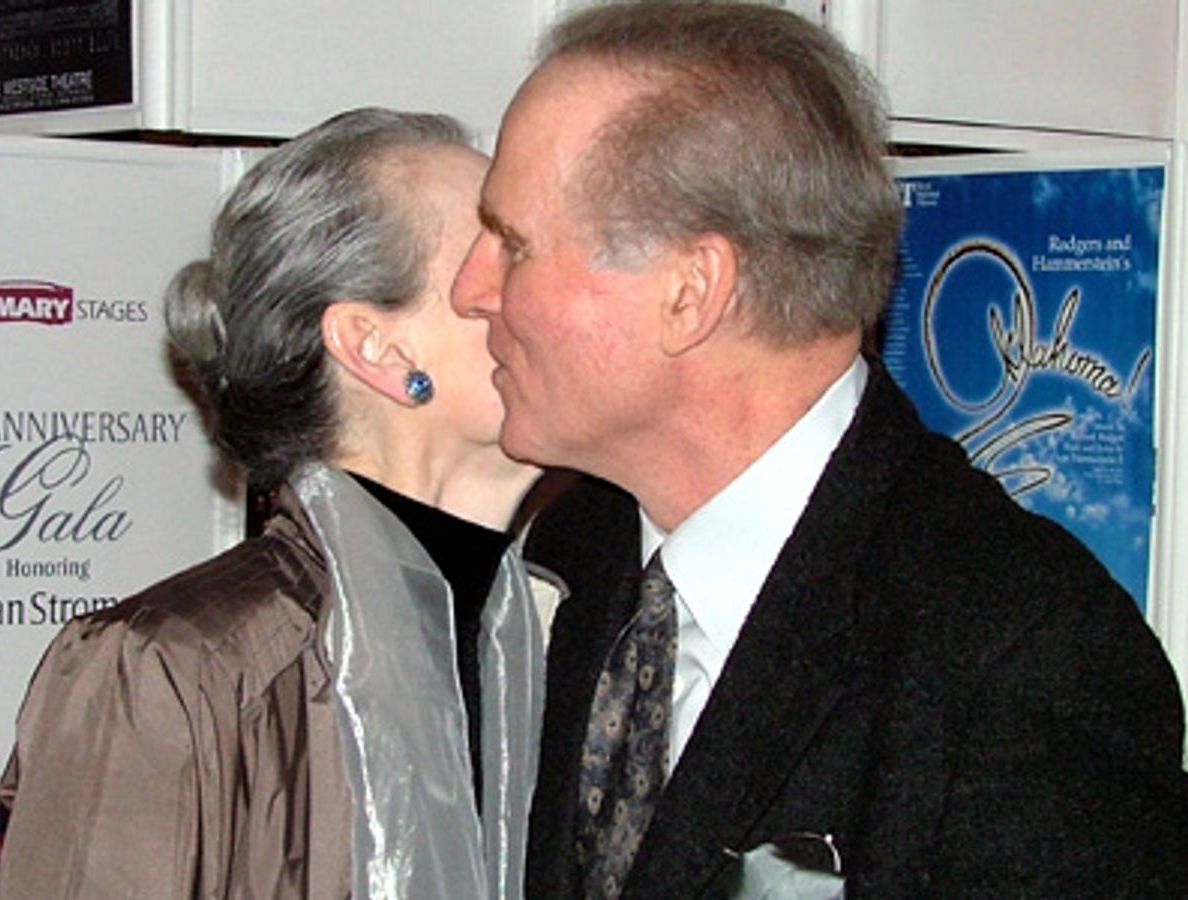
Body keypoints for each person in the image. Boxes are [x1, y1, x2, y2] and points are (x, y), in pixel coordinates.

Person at [451, 3, 1188, 898]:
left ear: (691, 292)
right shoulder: (572, 554)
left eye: (513, 245)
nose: (469, 289)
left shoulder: (1020, 657)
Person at [0, 107, 546, 899]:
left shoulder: (577, 636)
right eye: (499, 251)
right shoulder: (172, 668)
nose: (550, 288)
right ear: (378, 348)